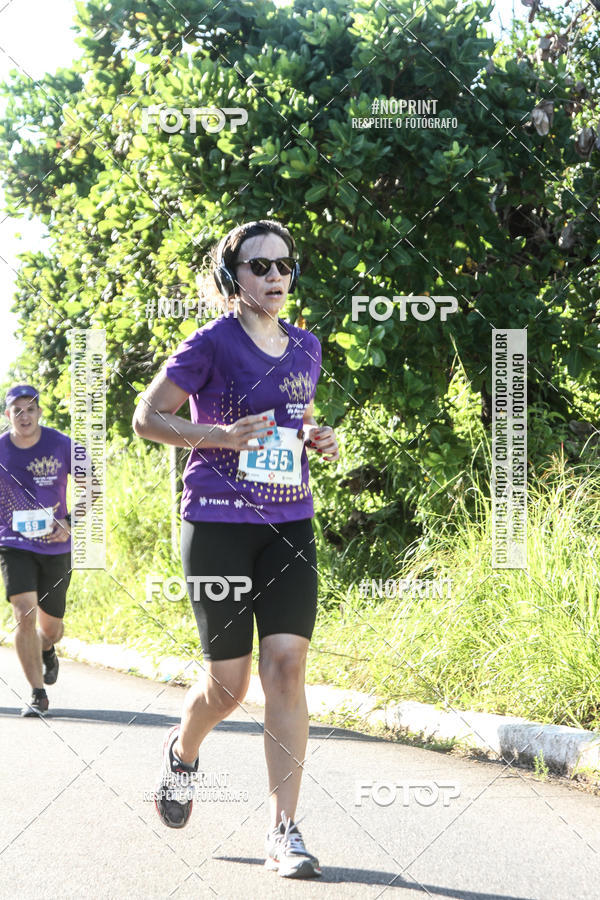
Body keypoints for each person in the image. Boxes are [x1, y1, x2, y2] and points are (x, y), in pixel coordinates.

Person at [133, 219, 339, 879]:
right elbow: (147, 418)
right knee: (228, 686)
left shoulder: (306, 347)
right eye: (260, 266)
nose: (275, 276)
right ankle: (183, 750)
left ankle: (285, 831)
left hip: (289, 523)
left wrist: (317, 439)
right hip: (218, 522)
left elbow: (294, 420)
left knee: (286, 667)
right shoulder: (209, 344)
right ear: (233, 278)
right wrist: (220, 435)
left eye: (284, 264)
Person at [0, 385, 73, 716]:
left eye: (30, 409)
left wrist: (69, 522)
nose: (24, 415)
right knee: (24, 611)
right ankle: (37, 693)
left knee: (50, 629)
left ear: (39, 412)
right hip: (13, 542)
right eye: (17, 410)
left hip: (56, 545)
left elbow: (93, 485)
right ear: (7, 415)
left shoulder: (61, 444)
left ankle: (47, 649)